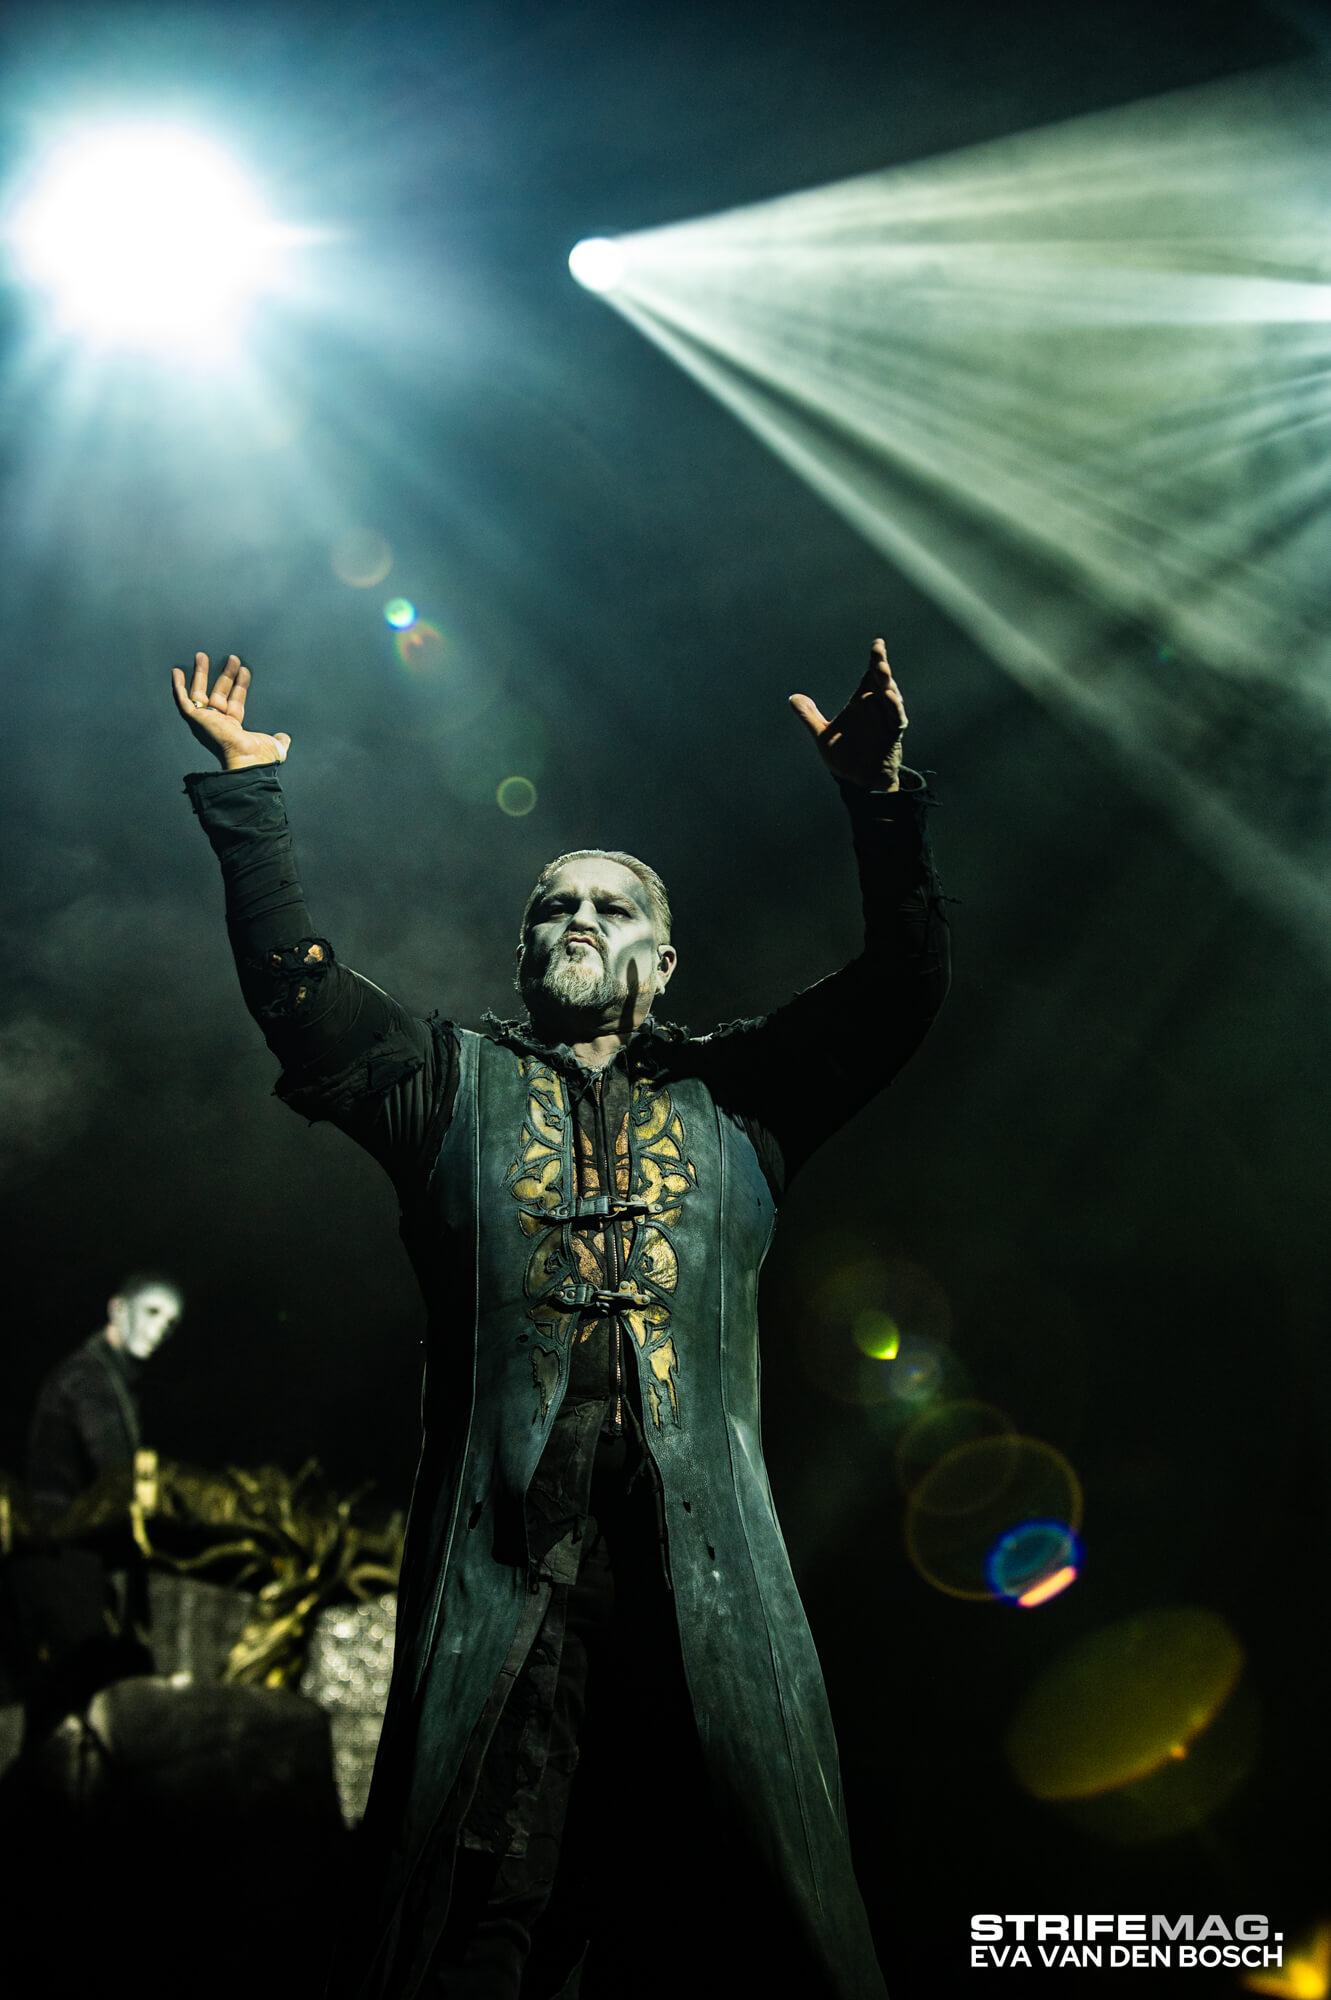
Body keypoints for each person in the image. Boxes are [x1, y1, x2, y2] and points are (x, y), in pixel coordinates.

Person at [174, 639, 949, 2000]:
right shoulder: (444, 1086)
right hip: (507, 1591)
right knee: (482, 1910)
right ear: (524, 949)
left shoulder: (742, 1097)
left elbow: (899, 989)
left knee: (736, 1916)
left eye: (610, 904)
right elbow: (298, 994)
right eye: (553, 906)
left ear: (663, 957)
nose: (578, 917)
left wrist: (878, 804)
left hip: (705, 1596)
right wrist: (247, 791)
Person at [15, 1274, 182, 1732]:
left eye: (170, 1323)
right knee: (73, 1704)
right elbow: (117, 1471)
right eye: (152, 1312)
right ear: (118, 1309)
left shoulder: (112, 1380)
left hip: (71, 1556)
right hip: (59, 1553)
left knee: (75, 1704)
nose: (159, 1329)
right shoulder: (88, 1378)